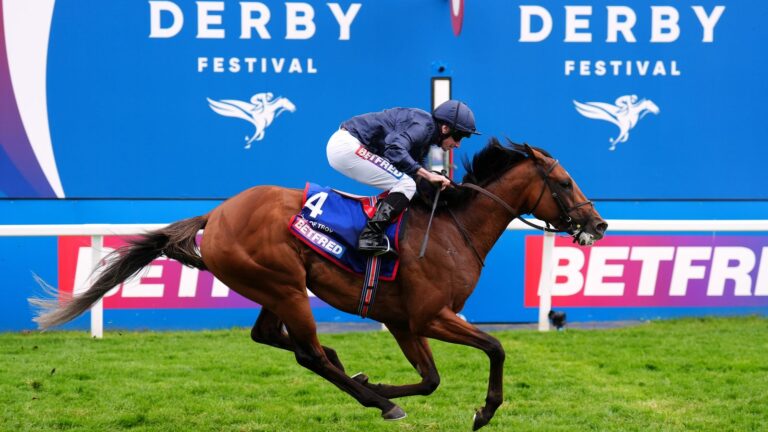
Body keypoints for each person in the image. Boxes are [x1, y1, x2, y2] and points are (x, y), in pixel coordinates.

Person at [326, 100, 480, 255]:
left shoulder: (425, 134)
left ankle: (372, 233)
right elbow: (394, 150)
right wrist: (428, 175)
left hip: (346, 147)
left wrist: (454, 190)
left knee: (407, 182)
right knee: (406, 184)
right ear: (445, 128)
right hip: (347, 146)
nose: (458, 144)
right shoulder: (423, 126)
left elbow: (416, 175)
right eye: (459, 136)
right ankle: (369, 237)